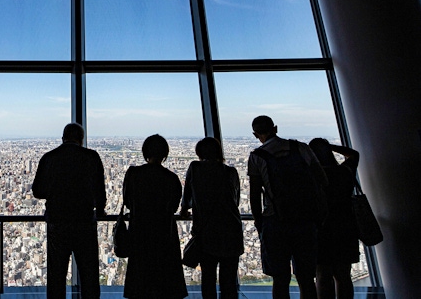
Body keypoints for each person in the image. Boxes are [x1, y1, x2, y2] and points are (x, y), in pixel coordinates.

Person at [248, 116, 328, 299]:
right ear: (275, 128)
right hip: (305, 220)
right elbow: (322, 180)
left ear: (255, 134)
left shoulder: (257, 156)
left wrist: (260, 222)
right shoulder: (301, 148)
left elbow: (254, 195)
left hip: (275, 221)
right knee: (307, 278)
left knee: (280, 278)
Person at [32, 123, 106, 299]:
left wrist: (55, 192)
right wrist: (100, 209)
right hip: (84, 222)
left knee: (56, 275)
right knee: (89, 275)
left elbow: (37, 191)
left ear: (62, 138)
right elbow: (100, 190)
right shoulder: (91, 157)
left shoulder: (49, 158)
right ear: (81, 139)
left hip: (58, 223)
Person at [122, 134, 187, 299]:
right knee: (164, 277)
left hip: (139, 230)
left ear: (145, 152)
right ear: (165, 154)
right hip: (164, 231)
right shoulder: (172, 178)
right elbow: (173, 207)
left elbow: (128, 202)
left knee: (141, 275)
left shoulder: (133, 174)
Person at [180, 137, 243, 299]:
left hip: (207, 232)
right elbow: (235, 200)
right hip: (231, 230)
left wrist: (185, 209)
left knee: (208, 278)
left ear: (199, 153)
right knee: (229, 281)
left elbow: (187, 195)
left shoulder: (195, 168)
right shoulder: (231, 172)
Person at [308, 138, 360, 299]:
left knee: (322, 275)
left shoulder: (311, 177)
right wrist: (329, 147)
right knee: (343, 276)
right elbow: (353, 154)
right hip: (345, 227)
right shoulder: (344, 171)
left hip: (321, 229)